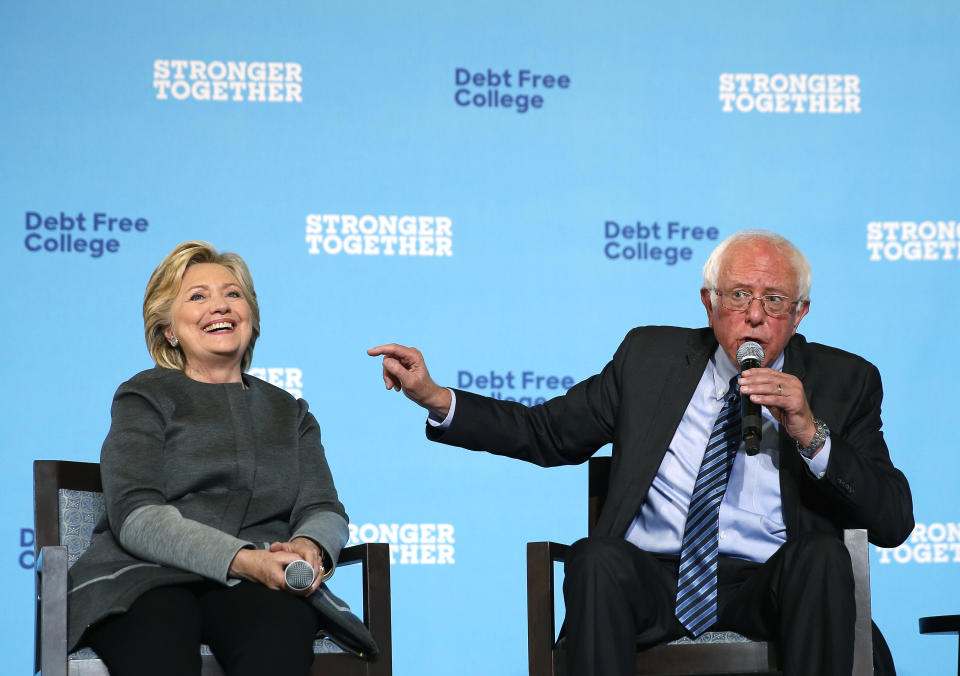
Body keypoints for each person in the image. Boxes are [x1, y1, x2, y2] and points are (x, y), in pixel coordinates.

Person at [368, 230, 913, 676]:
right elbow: (546, 432)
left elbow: (893, 520)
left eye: (773, 301)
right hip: (655, 579)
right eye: (739, 295)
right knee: (595, 558)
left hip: (771, 585)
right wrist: (436, 398)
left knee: (820, 558)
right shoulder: (647, 358)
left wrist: (810, 432)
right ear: (709, 302)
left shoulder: (846, 380)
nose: (753, 315)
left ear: (800, 314)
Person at [68, 241, 375, 676]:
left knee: (278, 632)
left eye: (232, 294)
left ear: (250, 315)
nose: (220, 306)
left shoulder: (291, 412)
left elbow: (323, 508)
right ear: (169, 329)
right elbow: (136, 515)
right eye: (197, 296)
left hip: (256, 584)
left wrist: (311, 546)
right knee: (159, 640)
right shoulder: (144, 396)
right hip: (145, 577)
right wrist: (245, 558)